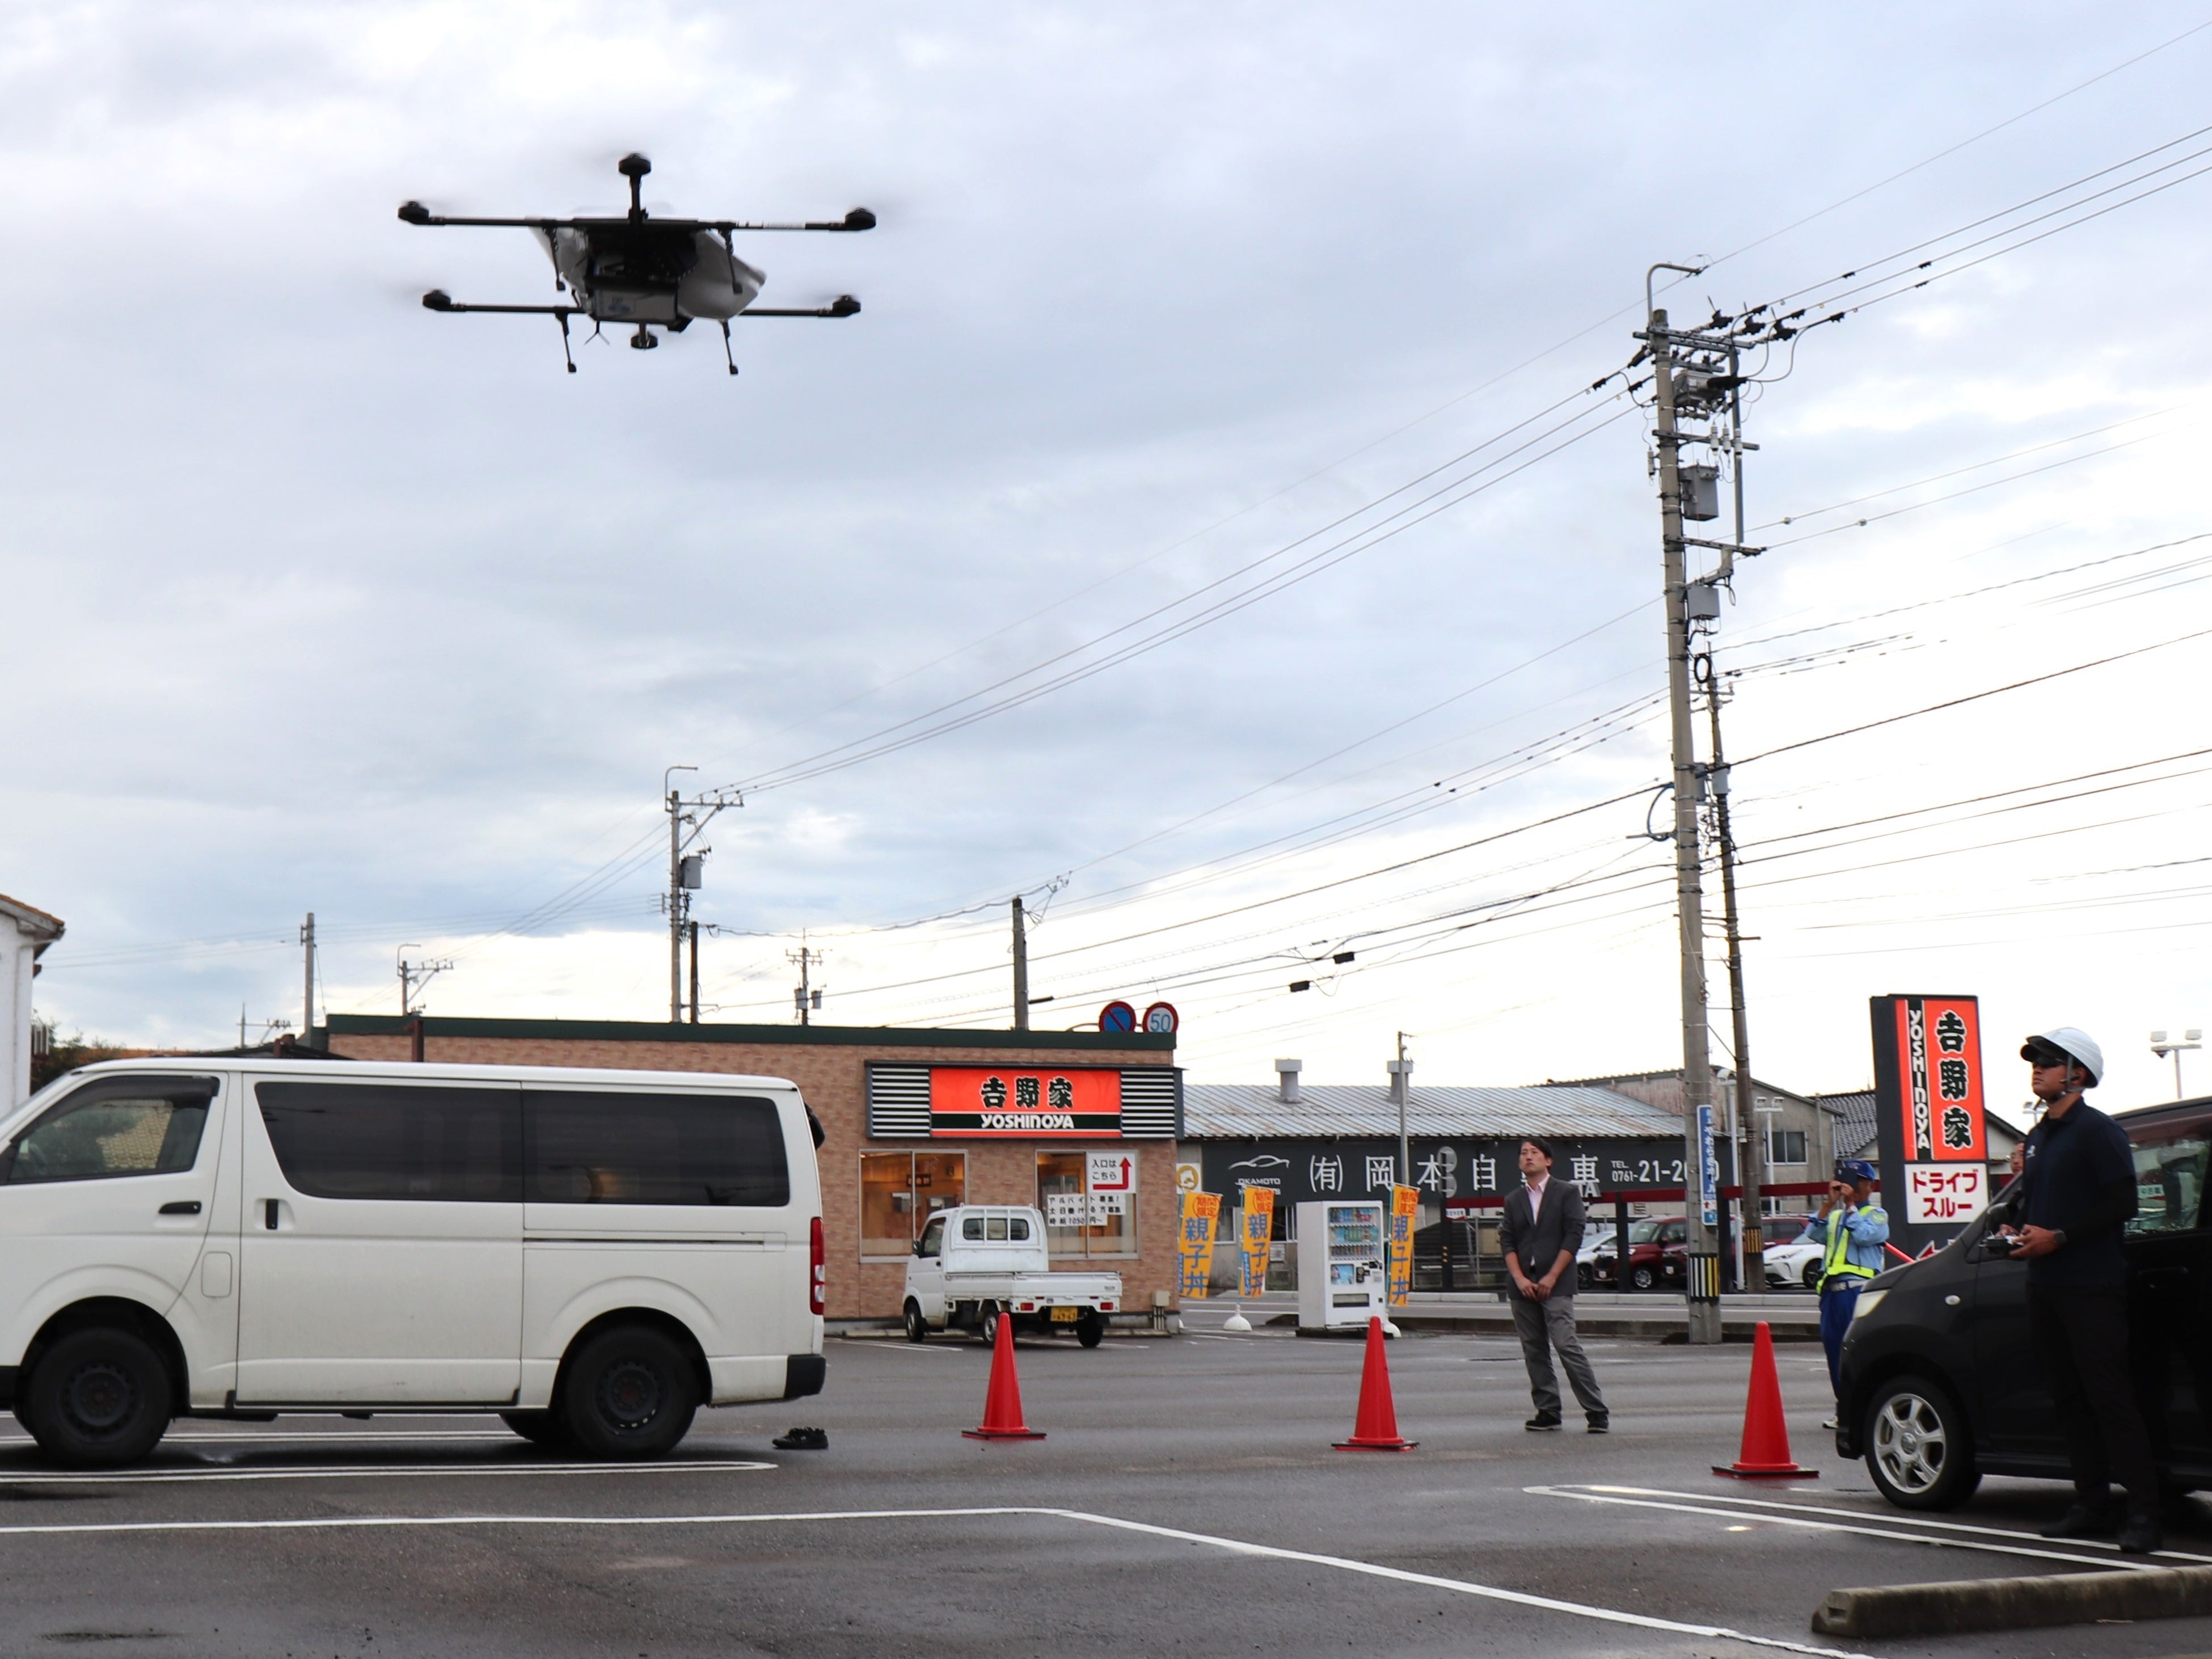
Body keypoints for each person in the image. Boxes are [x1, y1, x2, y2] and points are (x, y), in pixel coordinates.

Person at [1995, 1027, 2159, 1553]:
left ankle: (2144, 1512)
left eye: (2047, 1060)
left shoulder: (2098, 1131)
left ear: (2078, 1073)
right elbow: (2037, 1202)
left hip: (2092, 1286)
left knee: (2110, 1397)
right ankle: (2091, 1504)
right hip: (2044, 1285)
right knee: (2068, 1399)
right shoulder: (2040, 1135)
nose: (2037, 1068)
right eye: (2034, 1060)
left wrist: (2060, 1237)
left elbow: (2123, 1203)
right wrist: (2016, 1226)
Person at [1500, 1136, 1607, 1433]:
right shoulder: (1514, 1199)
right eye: (1524, 1153)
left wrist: (1552, 1276)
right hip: (1523, 1284)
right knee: (1534, 1349)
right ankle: (1548, 1411)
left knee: (1565, 1344)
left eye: (1535, 1152)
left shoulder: (1566, 1193)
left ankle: (1596, 1411)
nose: (1528, 1157)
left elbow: (1574, 1236)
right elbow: (1507, 1241)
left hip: (1557, 1283)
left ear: (1548, 1160)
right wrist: (1520, 1278)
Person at [1805, 1159, 1888, 1429]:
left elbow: (1865, 1237)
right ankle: (1845, 1411)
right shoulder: (1836, 1216)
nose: (1848, 1187)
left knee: (1859, 1352)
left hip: (1858, 1293)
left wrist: (1851, 1207)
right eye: (1845, 1182)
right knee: (1835, 1353)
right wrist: (1829, 1204)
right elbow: (1813, 1233)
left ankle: (1865, 1411)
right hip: (1832, 1295)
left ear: (1869, 1186)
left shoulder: (1877, 1215)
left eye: (1855, 1182)